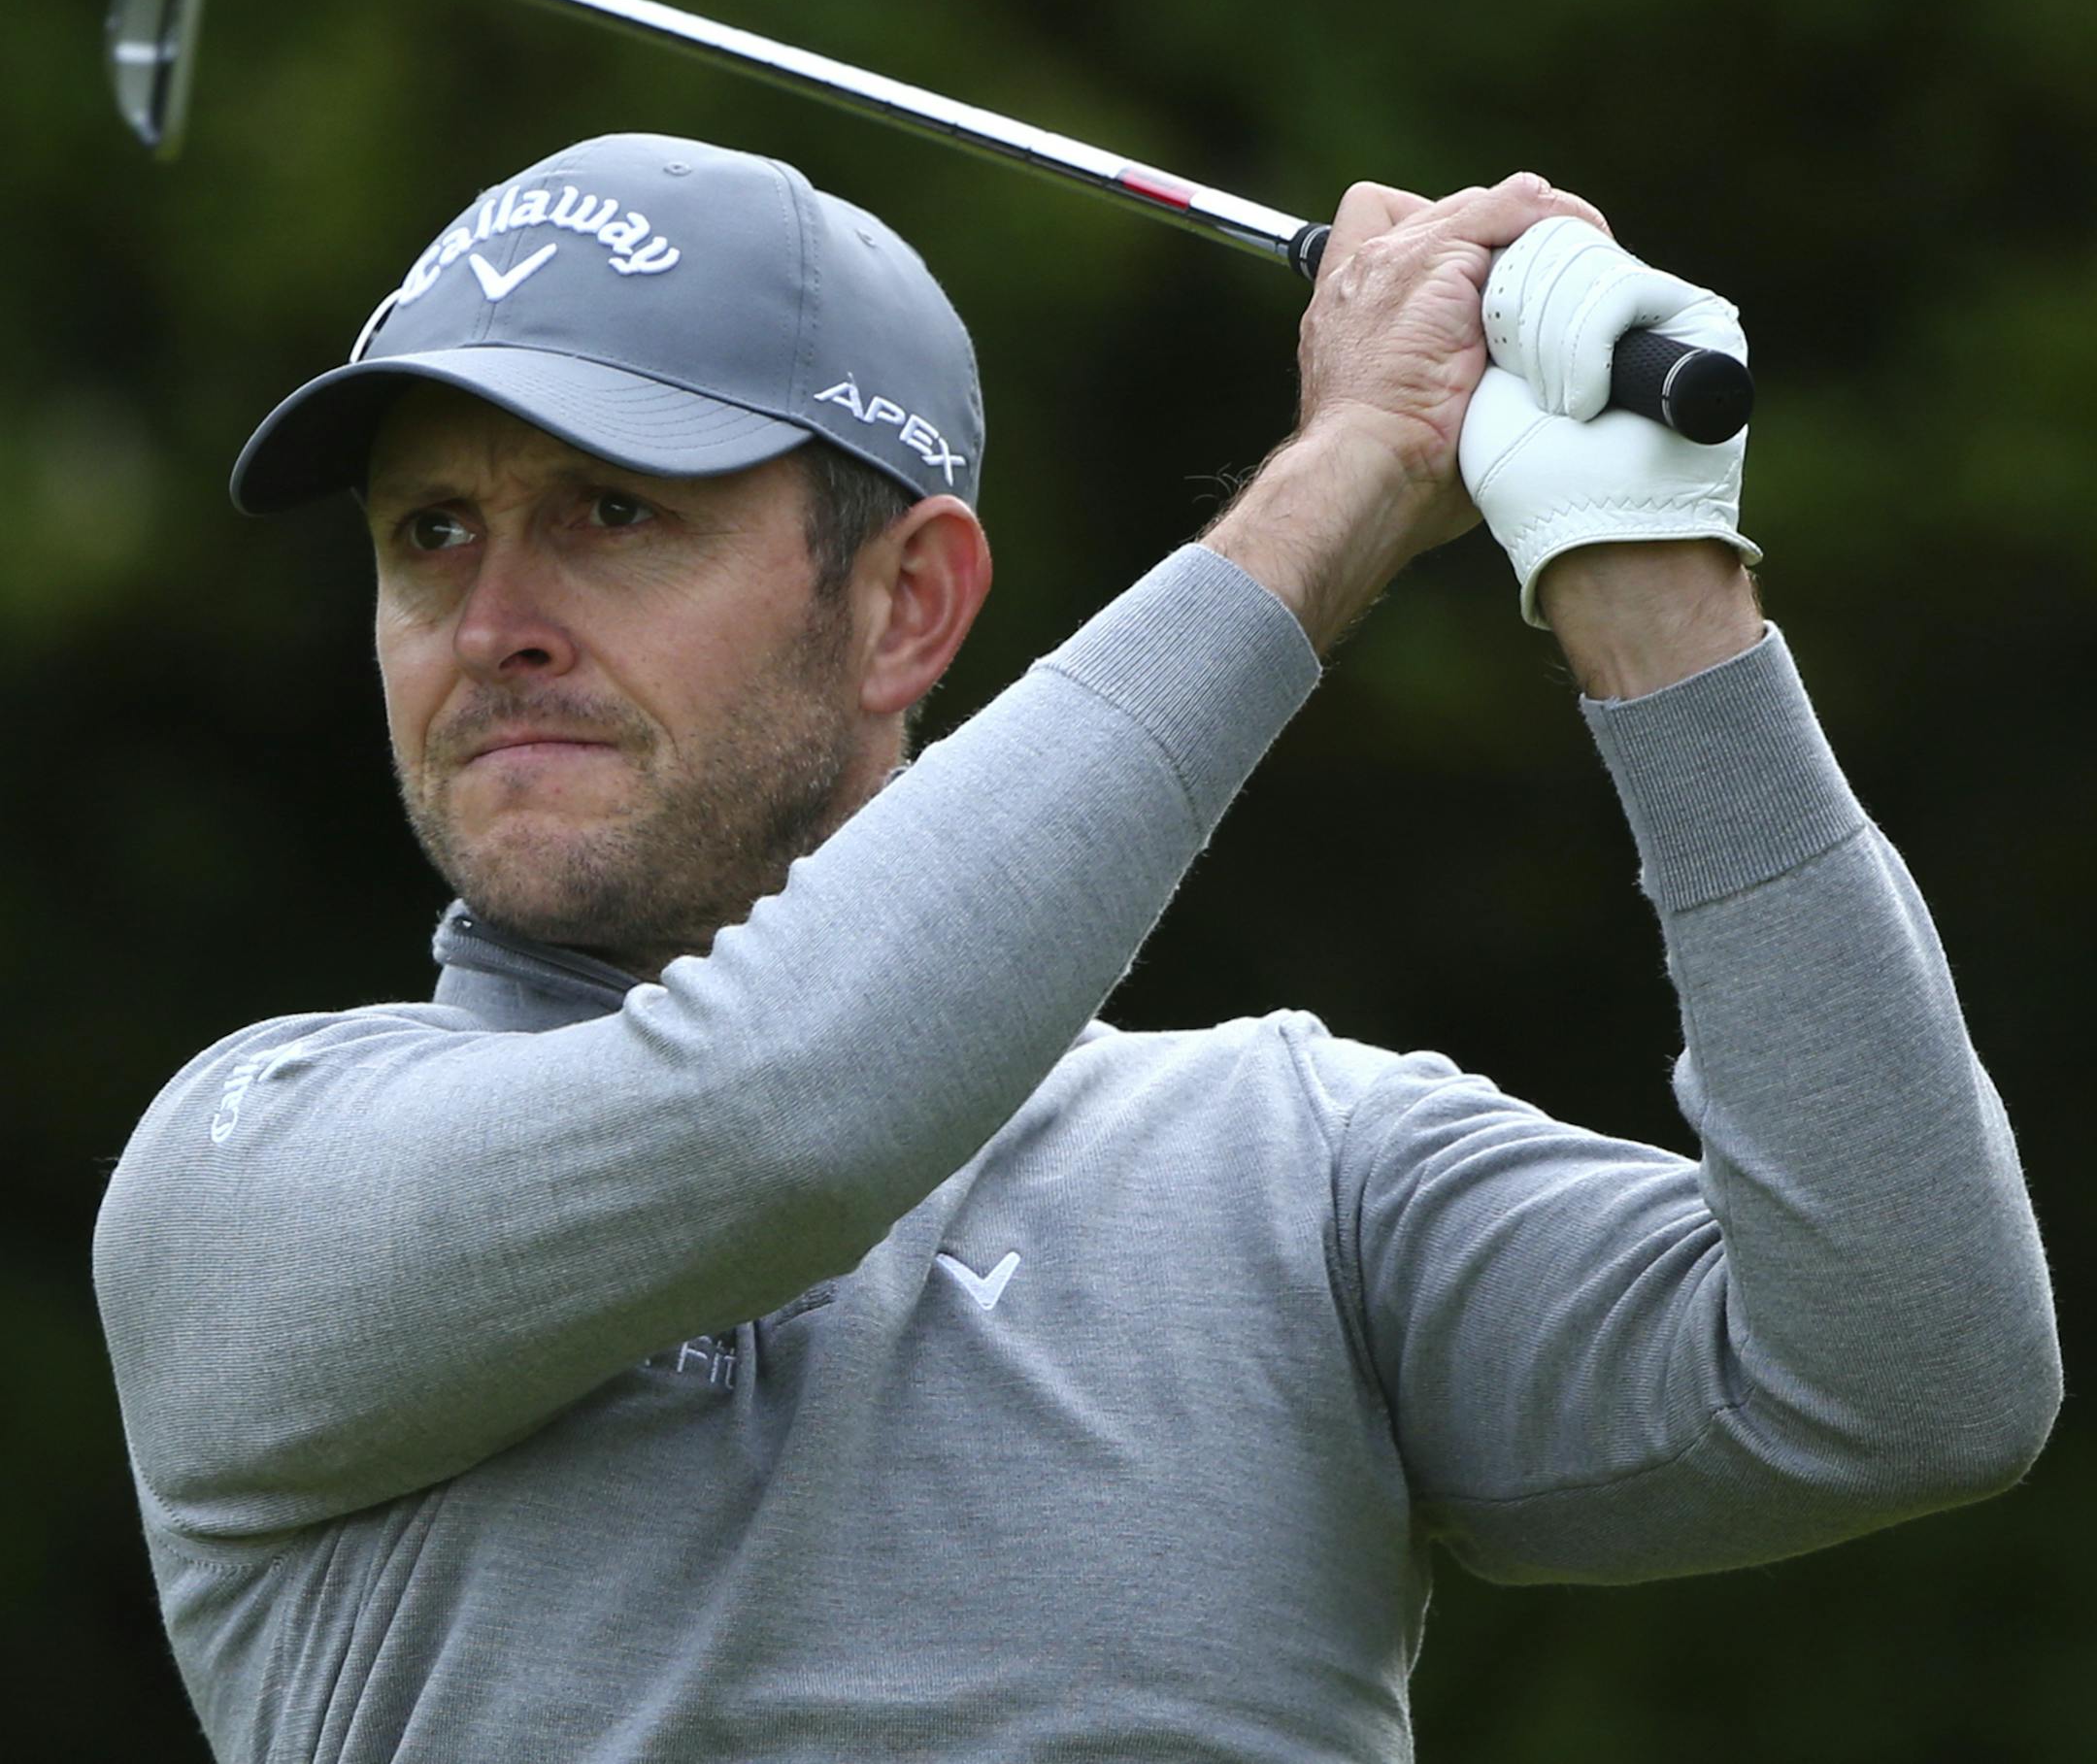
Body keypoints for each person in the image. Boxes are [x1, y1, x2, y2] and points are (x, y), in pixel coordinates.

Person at [94, 132, 2058, 1764]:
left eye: (612, 510)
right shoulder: (247, 1170)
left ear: (906, 609)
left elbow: (1911, 1372)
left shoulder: (1294, 1167)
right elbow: (779, 1110)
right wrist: (1347, 481)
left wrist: (1653, 587)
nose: (493, 614)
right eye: (428, 532)